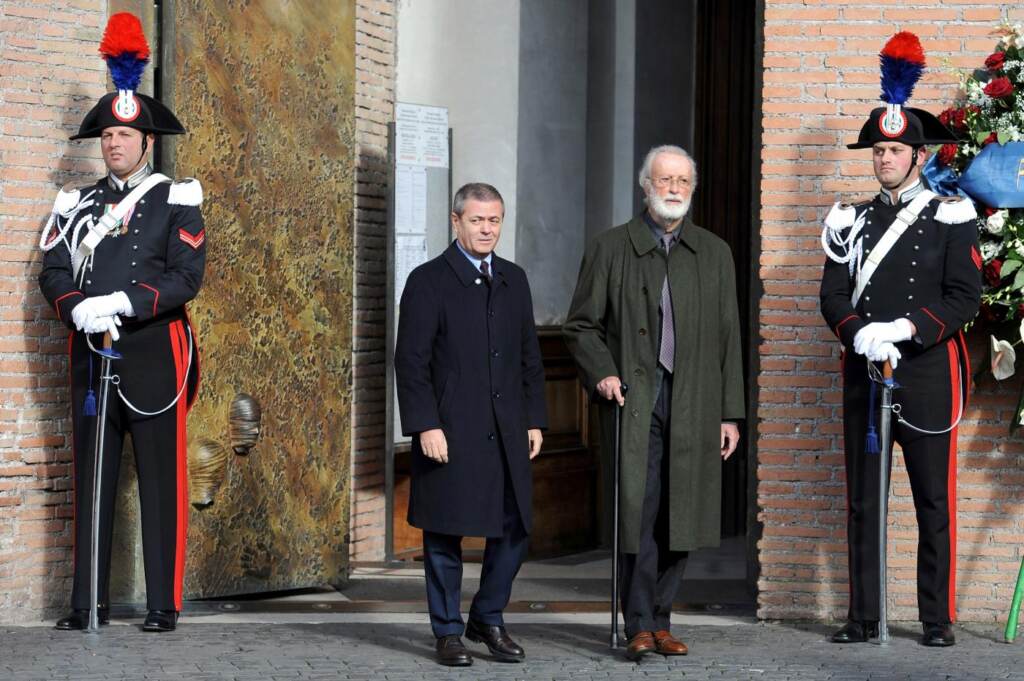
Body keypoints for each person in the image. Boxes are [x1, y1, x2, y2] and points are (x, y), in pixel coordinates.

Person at [38, 13, 205, 633]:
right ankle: (88, 604)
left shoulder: (175, 197)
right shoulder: (75, 202)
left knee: (162, 481)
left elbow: (187, 277)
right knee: (91, 479)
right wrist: (75, 305)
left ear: (146, 143)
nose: (113, 144)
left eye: (124, 136)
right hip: (92, 356)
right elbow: (52, 270)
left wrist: (128, 302)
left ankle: (164, 604)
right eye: (106, 134)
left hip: (155, 354)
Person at [819, 32, 980, 648]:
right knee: (864, 501)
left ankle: (936, 620)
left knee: (932, 502)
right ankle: (862, 616)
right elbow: (831, 297)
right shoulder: (849, 219)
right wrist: (859, 333)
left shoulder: (949, 216)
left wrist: (907, 329)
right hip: (866, 370)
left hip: (925, 372)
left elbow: (964, 297)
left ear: (918, 156)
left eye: (895, 150)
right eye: (878, 150)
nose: (884, 158)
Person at [563, 145, 745, 660]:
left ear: (693, 187)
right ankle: (638, 623)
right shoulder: (610, 248)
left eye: (683, 181)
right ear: (645, 186)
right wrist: (603, 372)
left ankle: (662, 619)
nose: (673, 188)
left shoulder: (714, 253)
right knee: (637, 513)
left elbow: (729, 338)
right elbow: (580, 326)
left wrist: (730, 413)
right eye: (664, 180)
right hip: (634, 402)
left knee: (681, 513)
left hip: (695, 403)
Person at [394, 183, 547, 666]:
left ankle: (487, 616)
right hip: (449, 430)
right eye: (478, 220)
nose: (487, 229)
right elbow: (410, 362)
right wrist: (424, 425)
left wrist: (534, 419)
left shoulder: (513, 279)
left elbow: (529, 357)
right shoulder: (427, 281)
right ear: (456, 221)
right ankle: (447, 632)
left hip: (506, 429)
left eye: (495, 220)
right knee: (444, 534)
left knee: (516, 527)